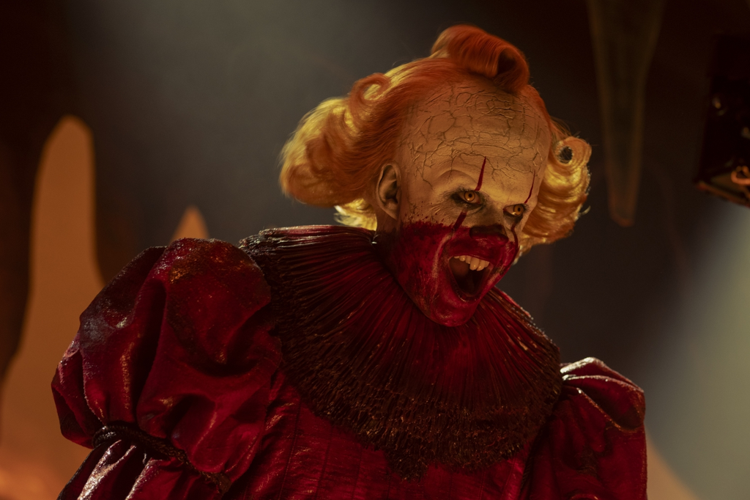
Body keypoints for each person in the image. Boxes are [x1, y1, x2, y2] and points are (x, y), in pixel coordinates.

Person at [53, 25, 646, 499]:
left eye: (515, 211)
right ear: (390, 192)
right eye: (466, 197)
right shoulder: (241, 321)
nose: (494, 235)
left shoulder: (542, 404)